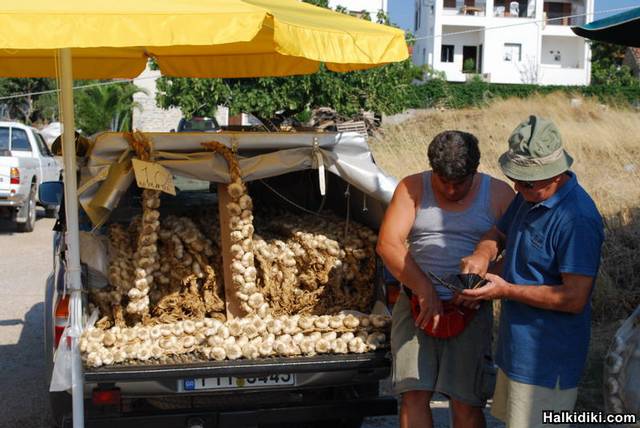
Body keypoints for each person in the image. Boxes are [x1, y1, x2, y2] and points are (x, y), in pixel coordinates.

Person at [460, 115, 605, 428]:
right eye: (515, 178)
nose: (517, 187)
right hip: (516, 352)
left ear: (555, 175)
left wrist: (505, 291)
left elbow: (574, 298)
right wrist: (481, 256)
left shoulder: (576, 219)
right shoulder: (530, 196)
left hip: (547, 359)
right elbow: (498, 234)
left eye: (526, 181)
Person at [377, 130, 514, 428]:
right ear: (432, 169)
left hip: (471, 309)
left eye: (460, 183)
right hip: (415, 304)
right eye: (444, 182)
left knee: (465, 400)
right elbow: (388, 244)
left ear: (475, 171)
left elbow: (519, 255)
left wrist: (484, 283)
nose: (451, 190)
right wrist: (424, 289)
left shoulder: (500, 194)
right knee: (413, 394)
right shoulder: (412, 187)